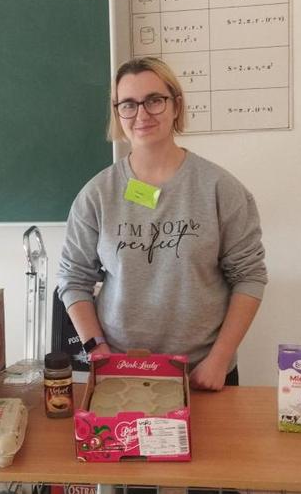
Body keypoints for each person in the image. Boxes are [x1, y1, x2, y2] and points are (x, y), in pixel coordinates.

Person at [56, 56, 267, 390]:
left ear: (176, 105)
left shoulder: (220, 188)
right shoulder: (97, 195)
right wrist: (99, 352)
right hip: (121, 371)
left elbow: (249, 277)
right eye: (128, 104)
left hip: (203, 372)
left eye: (154, 100)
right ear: (117, 113)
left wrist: (219, 359)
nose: (142, 114)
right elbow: (73, 280)